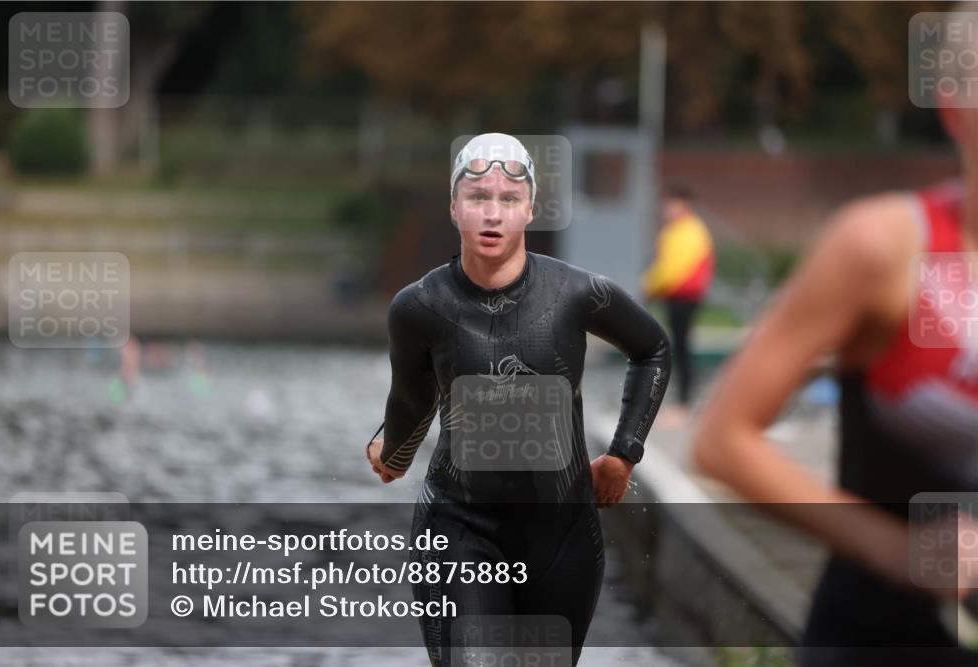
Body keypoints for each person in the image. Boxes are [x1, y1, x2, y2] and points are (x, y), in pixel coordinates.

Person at [690, 17, 978, 666]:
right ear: (955, 106)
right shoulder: (881, 247)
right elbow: (722, 439)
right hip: (880, 637)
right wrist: (901, 552)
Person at [366, 133, 671, 666]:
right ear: (455, 207)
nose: (493, 213)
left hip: (563, 535)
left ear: (530, 210)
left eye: (509, 199)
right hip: (459, 527)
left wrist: (624, 454)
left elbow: (653, 350)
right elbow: (414, 397)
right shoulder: (418, 307)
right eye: (478, 197)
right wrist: (394, 451)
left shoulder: (577, 294)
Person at [641, 185, 714, 426]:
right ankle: (682, 401)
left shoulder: (689, 231)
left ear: (685, 205)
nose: (667, 209)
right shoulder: (678, 231)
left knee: (680, 348)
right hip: (677, 296)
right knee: (679, 347)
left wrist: (650, 286)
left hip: (684, 297)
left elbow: (674, 269)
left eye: (672, 204)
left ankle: (683, 403)